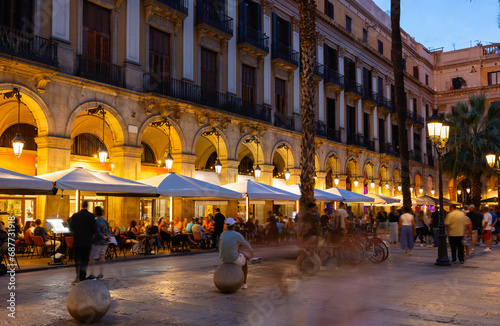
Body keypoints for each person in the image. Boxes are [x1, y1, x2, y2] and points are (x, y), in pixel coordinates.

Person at [219, 217, 254, 289]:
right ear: (234, 225)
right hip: (233, 258)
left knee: (240, 253)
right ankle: (244, 283)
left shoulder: (222, 234)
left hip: (223, 258)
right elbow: (246, 244)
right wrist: (251, 251)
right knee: (244, 264)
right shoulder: (237, 234)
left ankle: (249, 258)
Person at [69, 200, 97, 283]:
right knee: (84, 260)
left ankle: (77, 276)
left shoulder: (75, 215)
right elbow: (94, 229)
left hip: (77, 240)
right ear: (87, 206)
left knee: (77, 259)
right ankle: (82, 276)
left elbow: (71, 228)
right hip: (87, 241)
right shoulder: (91, 216)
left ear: (81, 205)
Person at [88, 206, 110, 280]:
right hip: (105, 242)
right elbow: (108, 231)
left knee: (92, 258)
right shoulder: (105, 221)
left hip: (97, 242)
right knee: (102, 256)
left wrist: (102, 237)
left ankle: (92, 274)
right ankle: (101, 274)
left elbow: (97, 232)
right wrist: (106, 237)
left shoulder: (96, 221)